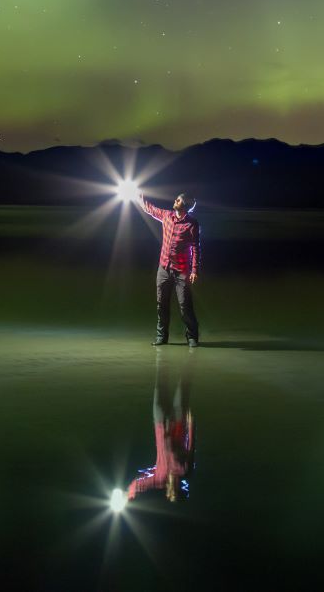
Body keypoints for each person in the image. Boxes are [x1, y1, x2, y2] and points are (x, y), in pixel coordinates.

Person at [126, 353, 195, 503]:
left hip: (160, 422)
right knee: (182, 386)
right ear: (179, 487)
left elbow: (139, 484)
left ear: (168, 490)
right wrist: (190, 425)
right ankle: (190, 359)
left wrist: (129, 495)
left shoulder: (159, 478)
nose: (173, 487)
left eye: (171, 492)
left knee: (159, 385)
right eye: (176, 490)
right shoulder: (185, 470)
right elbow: (190, 447)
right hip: (178, 421)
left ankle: (162, 358)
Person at [138, 191, 201, 347]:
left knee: (184, 306)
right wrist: (138, 195)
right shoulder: (167, 216)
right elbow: (150, 209)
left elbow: (195, 247)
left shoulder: (192, 224)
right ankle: (162, 337)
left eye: (178, 200)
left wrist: (194, 270)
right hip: (164, 269)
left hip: (182, 271)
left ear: (184, 205)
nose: (175, 200)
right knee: (161, 304)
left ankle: (192, 337)